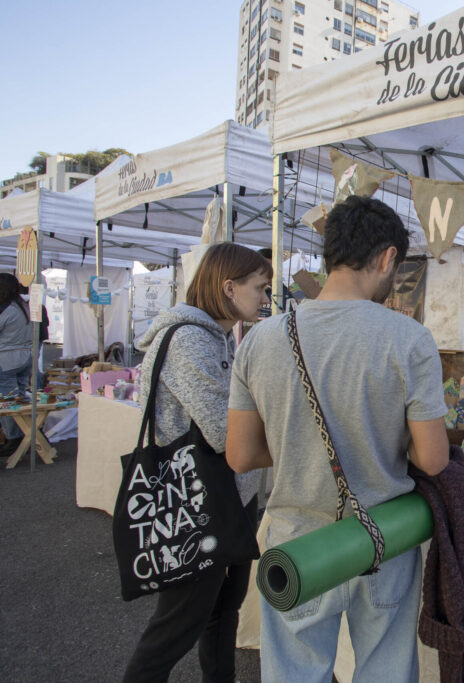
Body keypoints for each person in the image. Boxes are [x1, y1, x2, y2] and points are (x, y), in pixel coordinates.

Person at [226, 195, 449, 682]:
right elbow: (433, 460)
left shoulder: (260, 339)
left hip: (296, 540)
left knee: (295, 674)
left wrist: (293, 448)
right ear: (388, 257)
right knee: (384, 672)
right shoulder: (408, 339)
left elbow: (240, 455)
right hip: (382, 537)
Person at [122, 243, 272, 683]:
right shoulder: (189, 339)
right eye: (260, 288)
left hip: (228, 493)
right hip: (196, 501)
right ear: (229, 288)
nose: (266, 298)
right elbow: (225, 432)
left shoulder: (219, 335)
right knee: (178, 625)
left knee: (223, 611)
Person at [0, 273, 33, 452]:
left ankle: (14, 438)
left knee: (7, 401)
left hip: (7, 359)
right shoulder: (24, 306)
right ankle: (27, 433)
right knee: (19, 398)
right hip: (24, 357)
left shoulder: (7, 309)